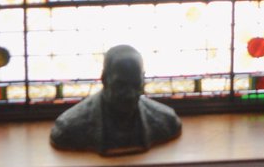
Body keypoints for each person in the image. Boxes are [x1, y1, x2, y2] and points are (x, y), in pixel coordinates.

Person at [50, 44, 182, 156]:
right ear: (104, 79)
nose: (130, 94)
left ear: (143, 80)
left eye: (135, 84)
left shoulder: (167, 121)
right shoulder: (69, 128)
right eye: (121, 85)